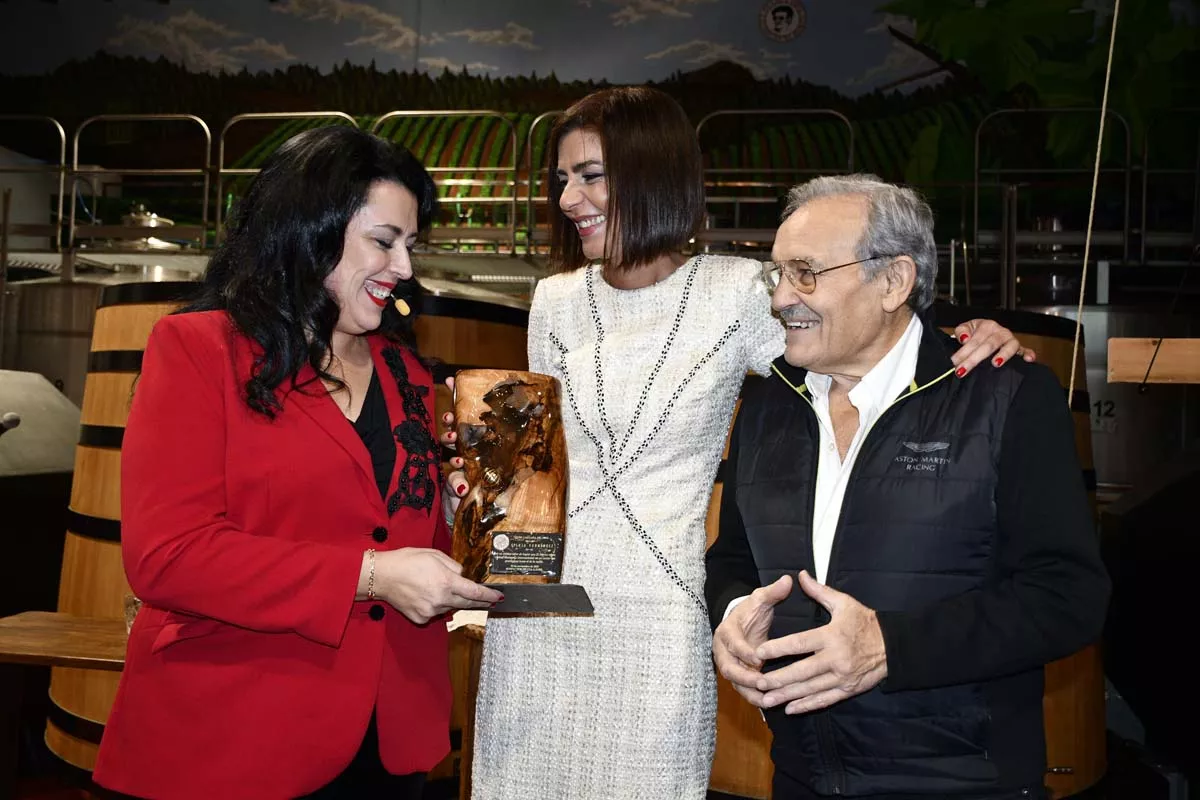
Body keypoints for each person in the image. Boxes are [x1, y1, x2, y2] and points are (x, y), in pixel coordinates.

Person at [470, 87, 1031, 799]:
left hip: (660, 611)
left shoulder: (737, 293)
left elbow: (868, 334)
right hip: (545, 608)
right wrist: (491, 537)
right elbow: (534, 470)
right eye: (561, 179)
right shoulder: (552, 301)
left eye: (591, 174)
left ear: (653, 173)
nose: (569, 197)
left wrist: (967, 331)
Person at [92, 126, 502, 800]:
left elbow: (401, 540)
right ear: (311, 229)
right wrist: (369, 577)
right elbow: (168, 555)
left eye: (411, 246)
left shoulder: (409, 377)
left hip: (389, 743)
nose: (404, 268)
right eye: (384, 241)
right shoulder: (198, 349)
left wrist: (459, 519)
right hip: (230, 742)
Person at [706, 174, 1111, 799]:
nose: (781, 297)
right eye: (777, 274)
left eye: (806, 272)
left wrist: (889, 646)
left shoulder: (1005, 396)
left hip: (964, 781)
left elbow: (1068, 595)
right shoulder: (768, 403)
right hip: (800, 778)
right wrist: (732, 615)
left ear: (893, 281)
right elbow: (731, 558)